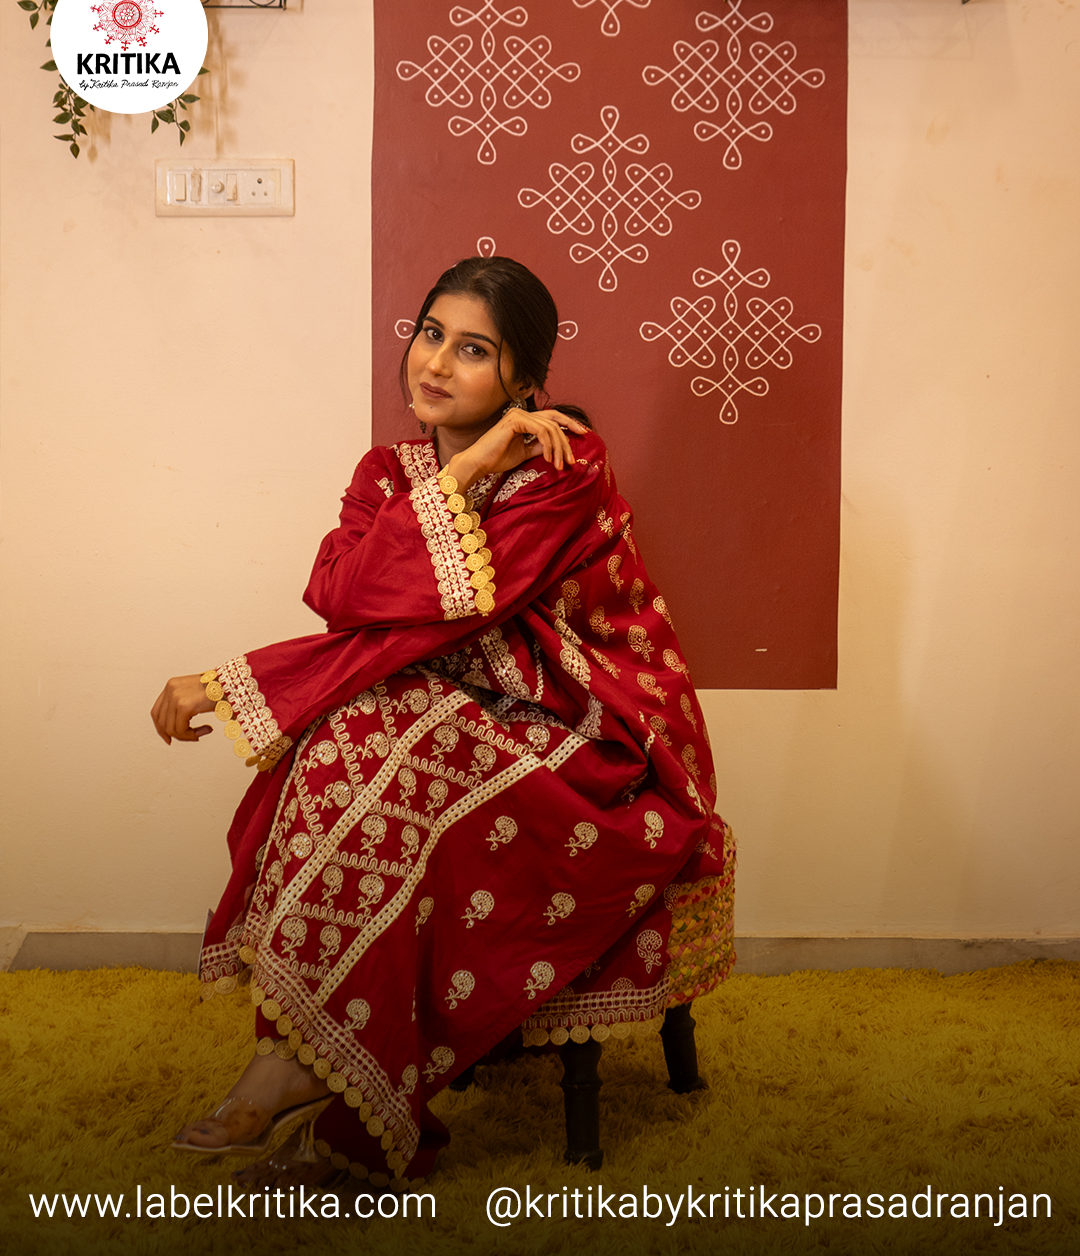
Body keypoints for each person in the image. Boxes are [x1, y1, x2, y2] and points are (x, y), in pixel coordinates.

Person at [152, 256, 735, 1190]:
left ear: (524, 380)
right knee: (348, 738)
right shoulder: (386, 472)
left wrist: (236, 682)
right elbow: (342, 595)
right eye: (431, 334)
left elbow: (445, 618)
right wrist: (461, 469)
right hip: (458, 702)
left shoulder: (566, 464)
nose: (436, 363)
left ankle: (323, 1086)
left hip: (594, 737)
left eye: (473, 349)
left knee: (388, 738)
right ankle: (321, 1073)